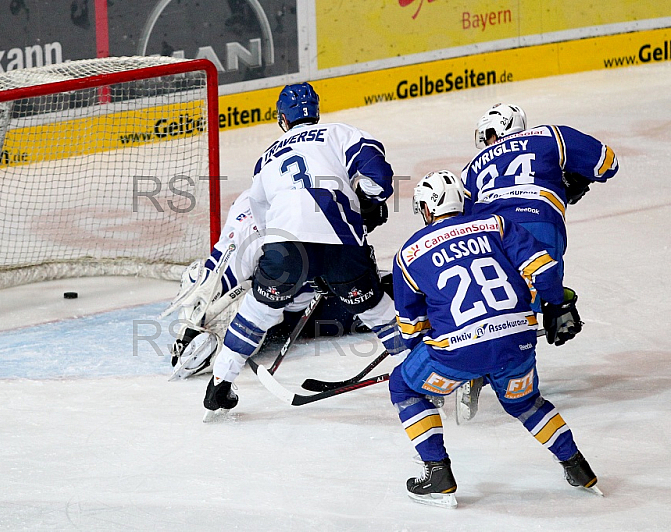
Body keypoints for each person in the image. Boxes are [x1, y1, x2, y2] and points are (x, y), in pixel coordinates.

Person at [390, 170, 598, 508]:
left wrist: (438, 369)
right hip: (517, 338)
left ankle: (437, 471)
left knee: (404, 386)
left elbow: (411, 328)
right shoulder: (497, 224)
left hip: (458, 350)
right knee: (525, 403)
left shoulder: (410, 253)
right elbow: (543, 269)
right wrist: (557, 304)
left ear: (427, 210)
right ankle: (576, 465)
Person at [202, 82, 404, 417]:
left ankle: (220, 383)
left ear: (282, 117)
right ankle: (418, 377)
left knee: (258, 310)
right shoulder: (339, 133)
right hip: (341, 246)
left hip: (286, 249)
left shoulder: (265, 158)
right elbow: (379, 178)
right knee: (376, 311)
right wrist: (366, 203)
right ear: (316, 111)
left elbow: (261, 215)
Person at [457, 103, 619, 420]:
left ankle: (473, 362)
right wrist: (577, 177)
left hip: (486, 234)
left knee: (494, 301)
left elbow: (456, 218)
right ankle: (517, 384)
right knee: (528, 307)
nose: (489, 142)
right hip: (539, 225)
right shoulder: (550, 135)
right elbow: (607, 163)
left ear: (498, 130)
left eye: (489, 134)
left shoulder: (473, 166)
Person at [164, 189, 365, 380]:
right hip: (288, 305)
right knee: (355, 306)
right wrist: (195, 331)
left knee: (365, 296)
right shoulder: (257, 229)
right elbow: (213, 282)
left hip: (292, 294)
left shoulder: (274, 197)